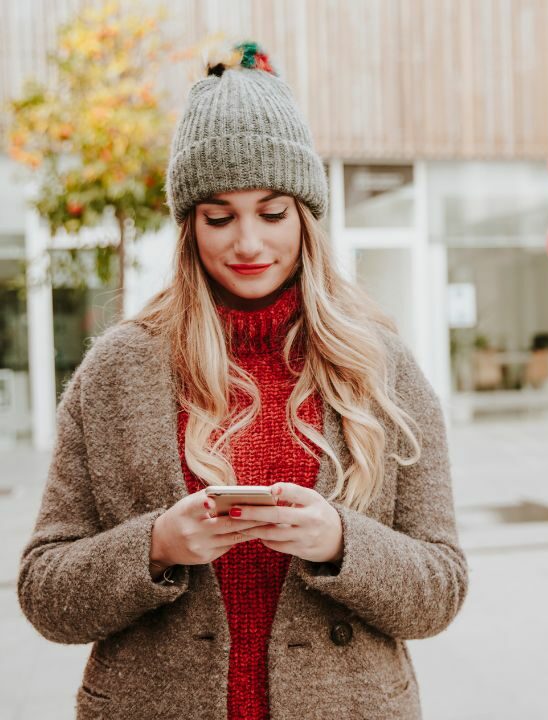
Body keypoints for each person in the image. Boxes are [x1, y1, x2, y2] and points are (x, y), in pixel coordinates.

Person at [18, 42, 467, 720]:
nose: (248, 243)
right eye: (220, 217)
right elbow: (44, 592)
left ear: (307, 218)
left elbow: (441, 587)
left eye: (272, 212)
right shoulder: (118, 370)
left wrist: (342, 541)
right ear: (189, 227)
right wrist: (156, 547)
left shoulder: (383, 365)